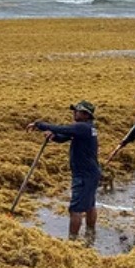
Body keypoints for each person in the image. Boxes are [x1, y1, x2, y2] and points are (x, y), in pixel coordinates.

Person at [27, 101, 101, 239]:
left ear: (86, 114)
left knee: (75, 209)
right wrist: (54, 137)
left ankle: (72, 240)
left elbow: (61, 128)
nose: (74, 113)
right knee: (90, 204)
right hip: (91, 172)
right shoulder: (88, 128)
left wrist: (38, 124)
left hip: (84, 174)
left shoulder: (82, 127)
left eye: (77, 111)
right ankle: (91, 233)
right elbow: (63, 137)